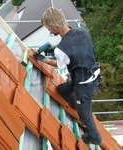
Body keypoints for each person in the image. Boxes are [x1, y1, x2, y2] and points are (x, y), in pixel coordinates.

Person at [33, 7, 102, 145]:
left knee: (86, 117)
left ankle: (95, 138)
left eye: (48, 29)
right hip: (91, 74)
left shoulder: (61, 49)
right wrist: (54, 48)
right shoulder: (82, 31)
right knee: (61, 90)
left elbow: (60, 65)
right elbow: (73, 45)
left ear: (54, 26)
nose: (49, 31)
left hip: (84, 87)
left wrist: (44, 60)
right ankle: (77, 103)